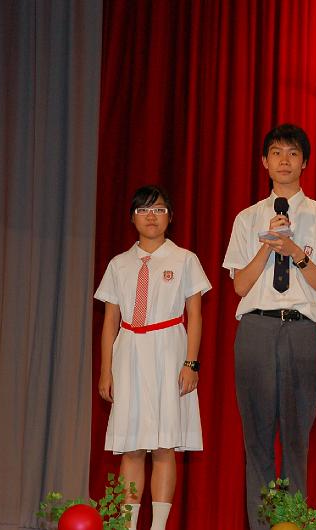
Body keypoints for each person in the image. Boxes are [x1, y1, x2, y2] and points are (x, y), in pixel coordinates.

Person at [222, 123, 316, 529]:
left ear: (304, 162)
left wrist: (293, 250)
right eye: (276, 153)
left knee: (296, 439)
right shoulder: (247, 219)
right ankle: (261, 525)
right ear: (264, 161)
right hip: (256, 329)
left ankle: (292, 524)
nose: (284, 161)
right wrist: (267, 245)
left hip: (301, 329)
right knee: (257, 440)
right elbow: (239, 285)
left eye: (293, 153)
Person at [95, 185, 211, 530]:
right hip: (129, 352)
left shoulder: (185, 259)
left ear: (170, 217)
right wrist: (105, 370)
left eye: (159, 210)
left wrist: (191, 362)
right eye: (144, 210)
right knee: (131, 446)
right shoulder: (119, 264)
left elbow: (195, 315)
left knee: (163, 445)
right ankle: (128, 526)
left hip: (168, 351)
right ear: (132, 217)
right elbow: (110, 321)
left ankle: (158, 526)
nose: (151, 216)